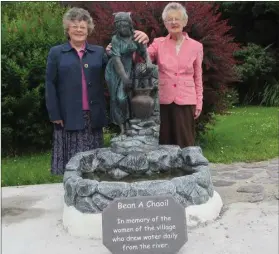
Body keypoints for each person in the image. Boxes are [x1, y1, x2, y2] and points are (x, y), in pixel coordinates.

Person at [107, 2, 204, 148]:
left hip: (186, 100)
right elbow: (139, 58)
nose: (173, 22)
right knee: (165, 144)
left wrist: (199, 101)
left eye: (177, 18)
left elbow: (198, 76)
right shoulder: (159, 43)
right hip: (164, 100)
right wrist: (140, 40)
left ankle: (187, 170)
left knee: (186, 143)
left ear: (185, 21)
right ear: (165, 23)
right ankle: (169, 171)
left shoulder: (196, 46)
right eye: (169, 19)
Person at [45, 7, 108, 175]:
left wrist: (116, 51)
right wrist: (54, 114)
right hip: (67, 115)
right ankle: (73, 193)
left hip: (93, 114)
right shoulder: (56, 53)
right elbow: (50, 83)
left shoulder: (99, 52)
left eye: (82, 26)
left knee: (94, 164)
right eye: (74, 26)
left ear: (88, 30)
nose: (79, 30)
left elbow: (113, 74)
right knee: (72, 163)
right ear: (68, 29)